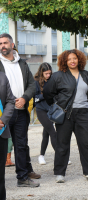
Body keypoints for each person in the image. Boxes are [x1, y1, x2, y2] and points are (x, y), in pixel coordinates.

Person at [43, 49, 88, 183]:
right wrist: (57, 105)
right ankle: (60, 173)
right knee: (62, 144)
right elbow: (48, 93)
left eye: (75, 58)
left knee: (86, 143)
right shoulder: (58, 76)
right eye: (69, 59)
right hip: (65, 114)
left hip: (82, 113)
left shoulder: (86, 75)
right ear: (64, 61)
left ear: (79, 60)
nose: (72, 61)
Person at [0, 33, 40, 187]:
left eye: (5, 43)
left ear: (12, 45)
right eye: (0, 43)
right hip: (3, 112)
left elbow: (31, 85)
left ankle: (22, 177)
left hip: (21, 110)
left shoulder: (22, 63)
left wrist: (24, 98)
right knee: (2, 146)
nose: (2, 46)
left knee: (21, 145)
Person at [34, 63, 57, 165]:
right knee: (53, 132)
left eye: (49, 73)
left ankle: (41, 156)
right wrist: (46, 94)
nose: (48, 75)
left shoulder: (52, 80)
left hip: (51, 110)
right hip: (41, 110)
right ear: (41, 72)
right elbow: (35, 98)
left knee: (46, 134)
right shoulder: (35, 82)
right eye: (46, 73)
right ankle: (60, 155)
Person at [0, 72, 15, 200]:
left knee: (0, 176)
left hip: (1, 131)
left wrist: (2, 120)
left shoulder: (3, 77)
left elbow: (10, 101)